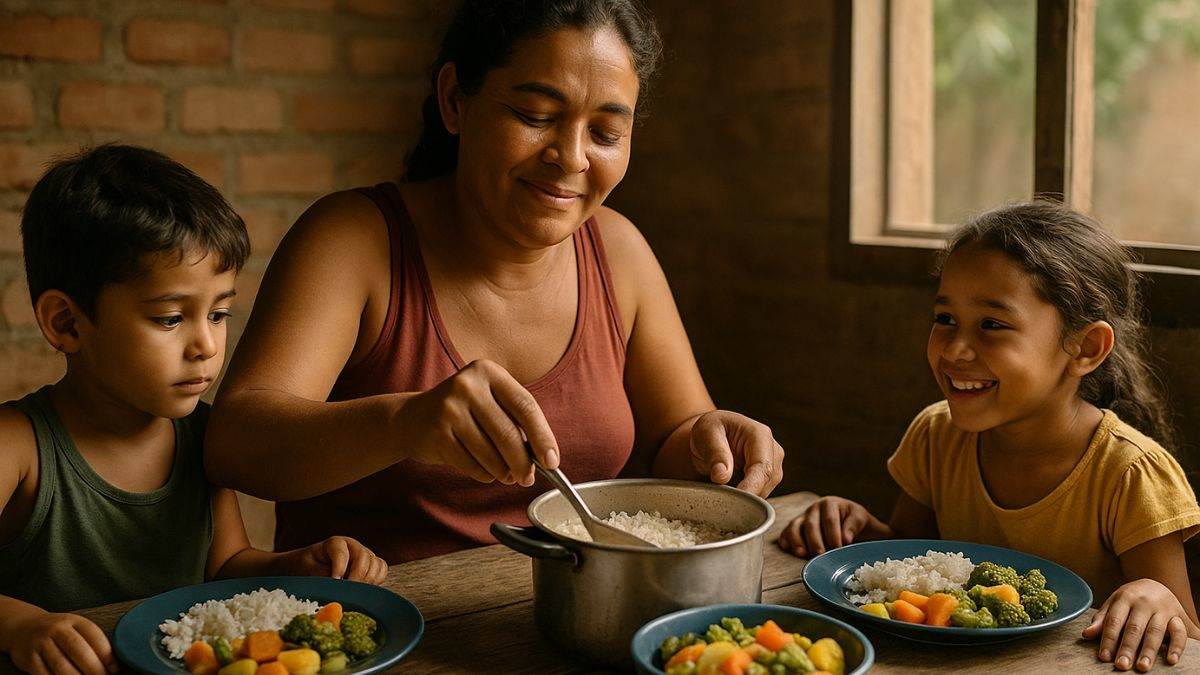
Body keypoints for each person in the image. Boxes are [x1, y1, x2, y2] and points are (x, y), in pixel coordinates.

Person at [205, 0, 785, 563]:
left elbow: (675, 441)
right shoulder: (355, 241)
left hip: (568, 615)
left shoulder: (620, 251)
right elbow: (235, 445)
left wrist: (716, 442)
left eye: (605, 133)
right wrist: (405, 423)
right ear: (457, 100)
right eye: (536, 117)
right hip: (369, 631)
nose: (571, 157)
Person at [0, 145, 387, 675]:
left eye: (220, 313)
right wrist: (20, 626)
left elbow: (226, 567)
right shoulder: (18, 446)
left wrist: (297, 566)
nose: (206, 344)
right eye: (168, 318)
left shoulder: (201, 436)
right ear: (67, 323)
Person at [779, 202, 1200, 673]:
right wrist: (852, 526)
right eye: (945, 319)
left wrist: (1156, 595)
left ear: (1085, 348)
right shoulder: (937, 435)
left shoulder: (1129, 474)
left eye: (992, 325)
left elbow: (1184, 635)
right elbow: (909, 558)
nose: (956, 349)